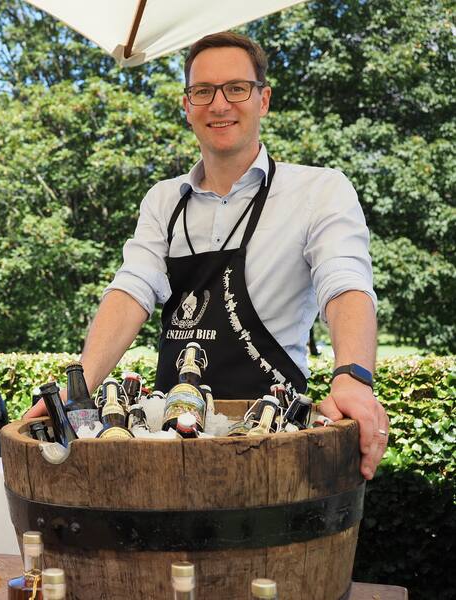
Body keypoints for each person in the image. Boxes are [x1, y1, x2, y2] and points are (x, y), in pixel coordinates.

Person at [26, 31, 389, 480]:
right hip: (166, 442)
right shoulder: (163, 201)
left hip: (272, 443)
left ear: (264, 100)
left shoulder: (318, 190)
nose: (219, 104)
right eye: (203, 91)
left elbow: (344, 281)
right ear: (187, 106)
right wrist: (77, 387)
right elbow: (132, 289)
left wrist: (352, 375)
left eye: (236, 88)